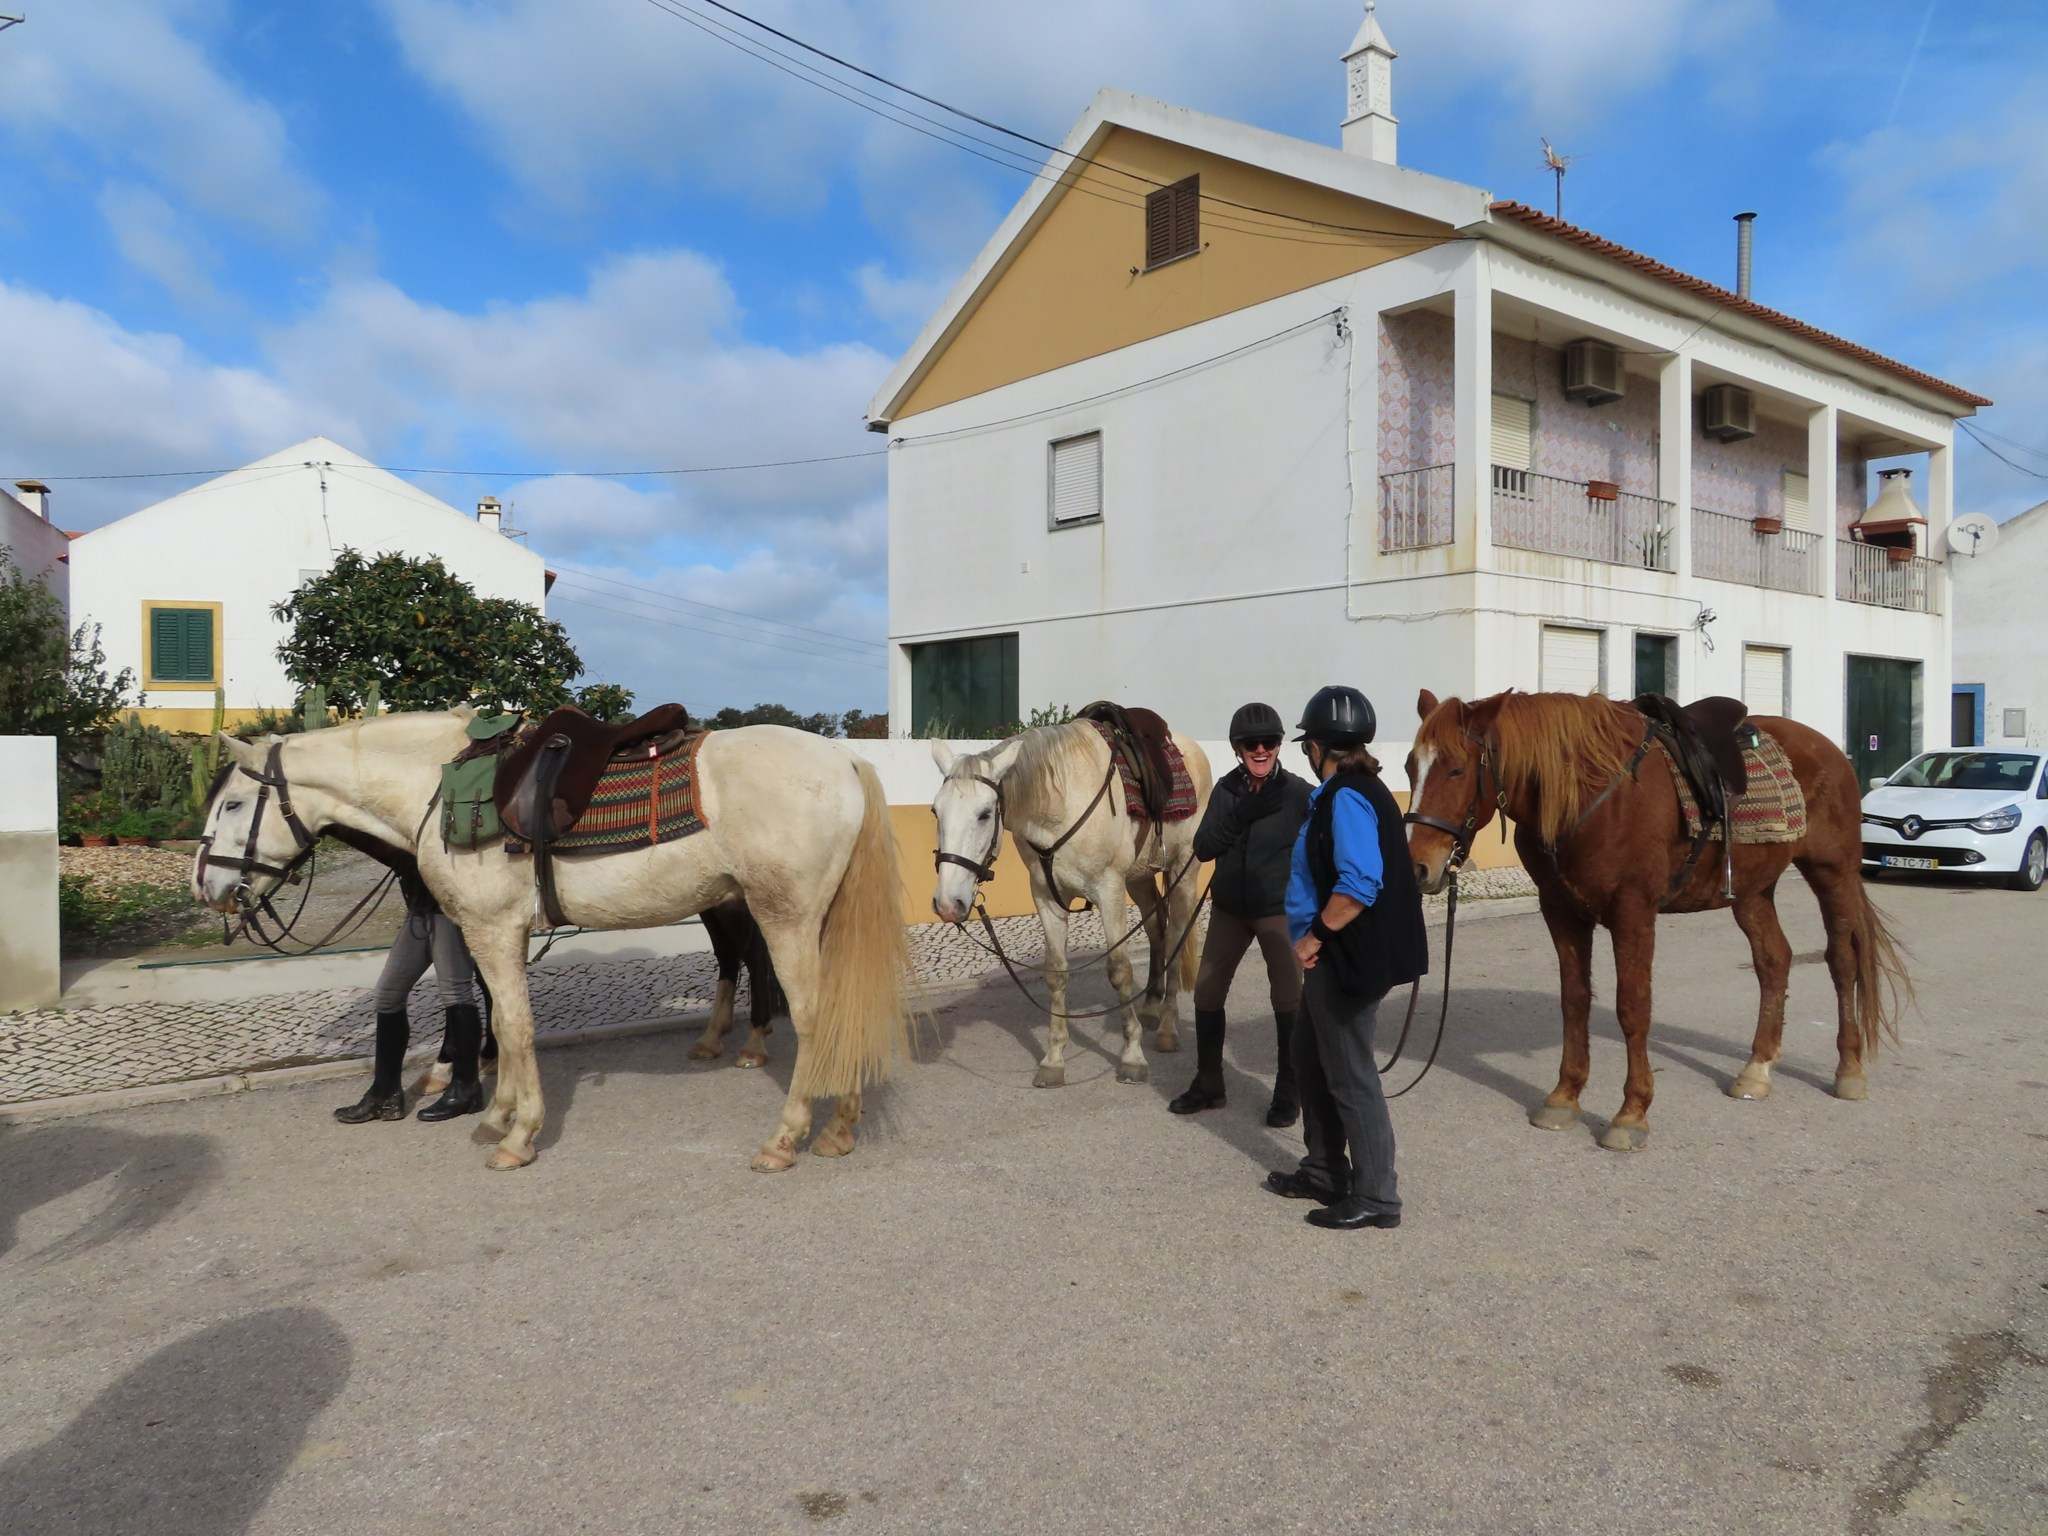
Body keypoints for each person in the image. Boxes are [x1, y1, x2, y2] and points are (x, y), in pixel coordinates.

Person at [1262, 685, 1428, 1232]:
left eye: (1308, 745)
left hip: (1345, 958)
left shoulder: (1349, 797)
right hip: (1338, 956)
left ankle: (1377, 1195)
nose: (1307, 754)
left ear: (1318, 748)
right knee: (1309, 1056)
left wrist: (1313, 938)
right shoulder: (1347, 792)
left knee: (1351, 1075)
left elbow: (1359, 882)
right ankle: (1325, 1170)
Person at [1170, 702, 1313, 1124]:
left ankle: (1289, 1090)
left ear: (1279, 745)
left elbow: (1322, 847)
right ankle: (1209, 1083)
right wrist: (1241, 814)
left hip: (1277, 911)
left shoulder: (1299, 794)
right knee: (1207, 992)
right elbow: (1203, 847)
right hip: (1230, 909)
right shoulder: (1226, 791)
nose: (1260, 749)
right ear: (1237, 748)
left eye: (1268, 742)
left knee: (1287, 998)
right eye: (1251, 744)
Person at [334, 870, 489, 1125]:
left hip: (448, 906)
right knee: (388, 994)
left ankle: (466, 1089)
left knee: (456, 991)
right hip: (419, 906)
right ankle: (385, 1093)